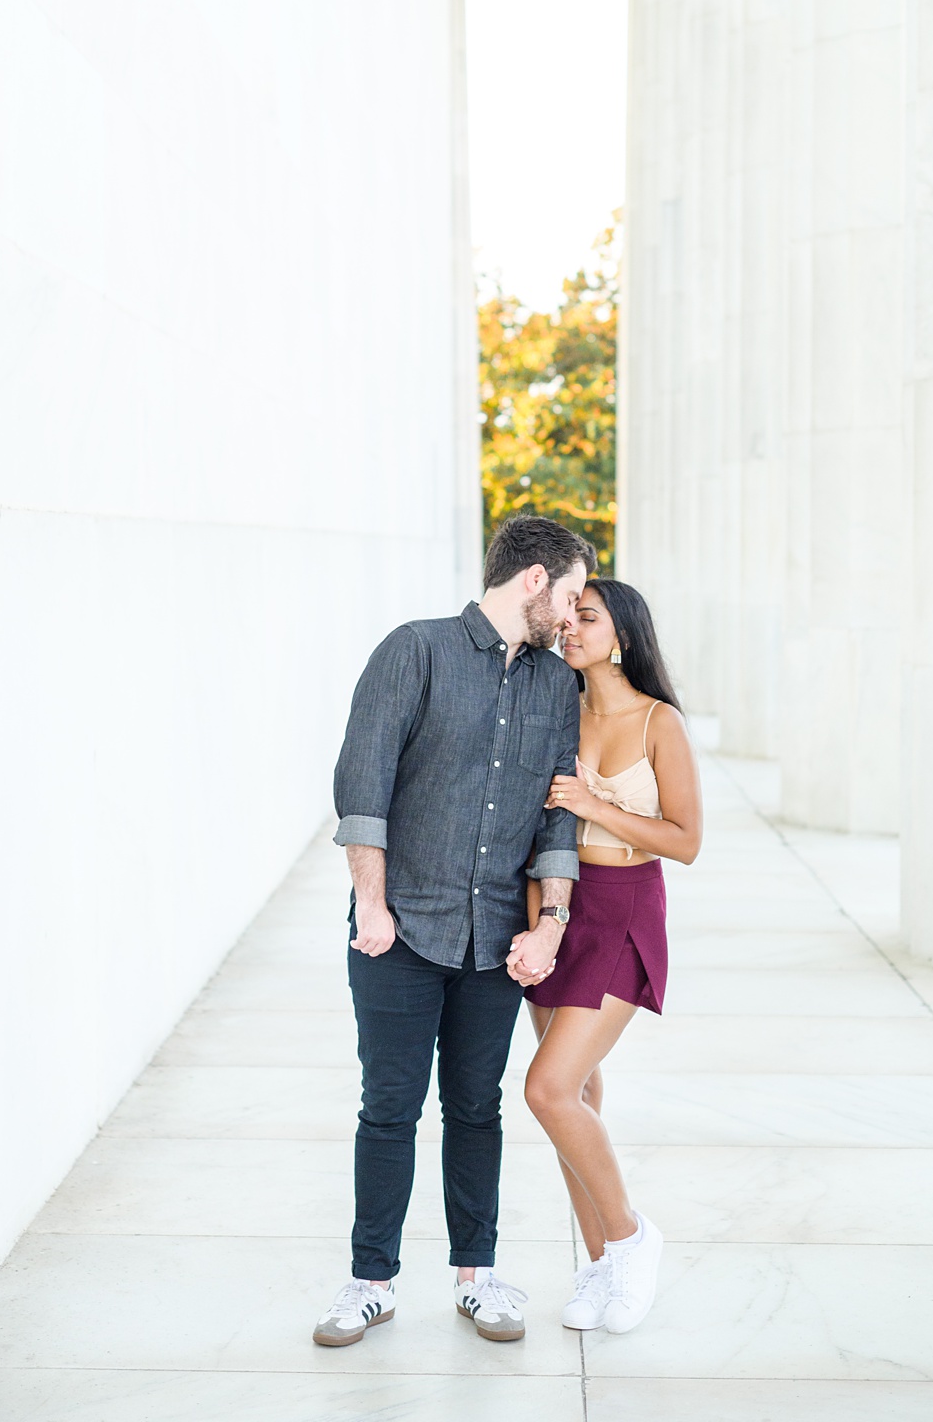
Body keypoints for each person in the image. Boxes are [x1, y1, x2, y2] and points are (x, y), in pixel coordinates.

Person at [310, 514, 593, 1350]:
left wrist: (549, 927)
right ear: (534, 582)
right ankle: (370, 1282)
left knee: (477, 1107)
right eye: (571, 596)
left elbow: (557, 819)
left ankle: (478, 1277)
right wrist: (371, 903)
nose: (573, 618)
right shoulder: (416, 651)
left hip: (495, 940)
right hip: (397, 931)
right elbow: (363, 779)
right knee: (389, 1108)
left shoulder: (554, 686)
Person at [515, 577, 702, 1335]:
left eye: (585, 618)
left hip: (623, 911)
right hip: (552, 909)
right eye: (567, 618)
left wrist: (597, 805)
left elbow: (686, 842)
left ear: (620, 633)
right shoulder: (553, 708)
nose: (570, 629)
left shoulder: (660, 722)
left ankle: (630, 1236)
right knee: (579, 1099)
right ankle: (598, 1264)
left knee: (548, 1090)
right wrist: (536, 926)